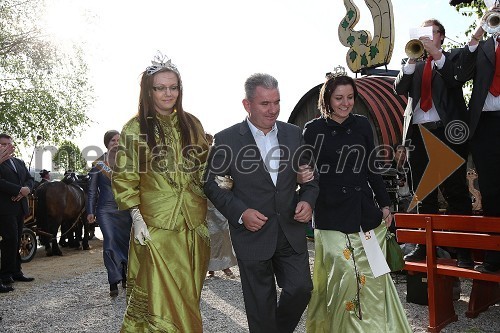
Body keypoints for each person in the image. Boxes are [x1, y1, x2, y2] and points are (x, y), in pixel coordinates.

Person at [204, 73, 319, 333]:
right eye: (265, 104)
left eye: (277, 102)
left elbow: (311, 179)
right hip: (252, 233)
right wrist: (241, 213)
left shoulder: (294, 134)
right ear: (247, 105)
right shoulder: (227, 140)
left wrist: (308, 201)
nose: (274, 109)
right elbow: (212, 184)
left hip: (290, 229)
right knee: (260, 304)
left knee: (301, 289)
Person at [303, 72, 411, 332]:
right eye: (339, 97)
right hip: (329, 216)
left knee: (372, 277)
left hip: (363, 213)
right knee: (344, 275)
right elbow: (306, 172)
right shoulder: (313, 130)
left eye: (350, 97)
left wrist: (385, 204)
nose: (345, 103)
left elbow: (371, 168)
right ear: (327, 99)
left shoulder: (362, 125)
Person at [112, 54, 210, 332]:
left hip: (193, 226)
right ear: (148, 90)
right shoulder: (134, 129)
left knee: (188, 298)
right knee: (162, 300)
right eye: (161, 88)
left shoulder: (193, 124)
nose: (168, 93)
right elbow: (125, 175)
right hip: (156, 228)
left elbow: (203, 166)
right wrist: (136, 216)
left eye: (174, 87)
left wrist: (220, 180)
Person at [394, 18, 473, 268]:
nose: (425, 37)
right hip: (419, 132)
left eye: (430, 32)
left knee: (455, 191)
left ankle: (463, 250)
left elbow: (454, 80)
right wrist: (411, 61)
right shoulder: (412, 63)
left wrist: (436, 55)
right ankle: (424, 246)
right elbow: (399, 88)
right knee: (423, 192)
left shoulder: (452, 59)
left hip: (447, 132)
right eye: (422, 32)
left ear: (441, 36)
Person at [451, 0, 500, 273]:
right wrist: (480, 29)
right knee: (491, 191)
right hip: (485, 126)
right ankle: (494, 258)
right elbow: (460, 73)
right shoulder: (481, 47)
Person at [87, 130, 132, 297]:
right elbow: (91, 191)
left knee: (126, 243)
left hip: (125, 209)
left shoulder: (128, 163)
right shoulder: (98, 164)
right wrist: (90, 211)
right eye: (113, 140)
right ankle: (113, 279)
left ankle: (126, 274)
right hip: (105, 209)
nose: (116, 143)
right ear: (107, 143)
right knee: (110, 241)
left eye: (119, 140)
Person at [0, 133, 35, 293]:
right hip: (5, 208)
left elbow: (29, 179)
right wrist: (17, 189)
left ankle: (16, 271)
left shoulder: (18, 162)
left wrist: (26, 190)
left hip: (20, 206)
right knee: (10, 240)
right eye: (3, 144)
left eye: (8, 143)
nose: (6, 146)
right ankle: (6, 275)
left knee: (18, 239)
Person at [204, 133, 237, 279]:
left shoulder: (217, 154)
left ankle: (223, 266)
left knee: (221, 233)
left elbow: (226, 174)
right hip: (205, 199)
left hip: (216, 198)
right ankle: (212, 267)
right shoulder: (196, 155)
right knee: (212, 234)